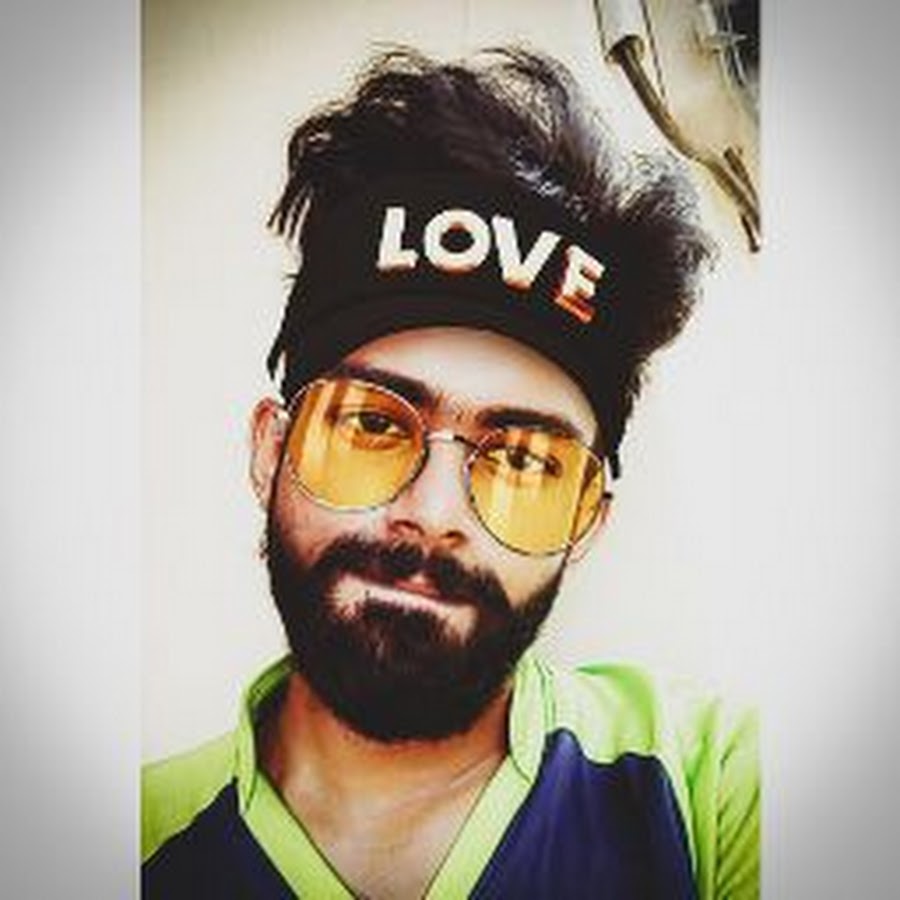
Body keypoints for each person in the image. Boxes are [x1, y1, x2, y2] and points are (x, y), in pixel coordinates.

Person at [141, 46, 759, 899]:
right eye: (371, 423)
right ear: (270, 449)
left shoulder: (710, 789)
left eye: (524, 460)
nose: (433, 514)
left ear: (586, 520)